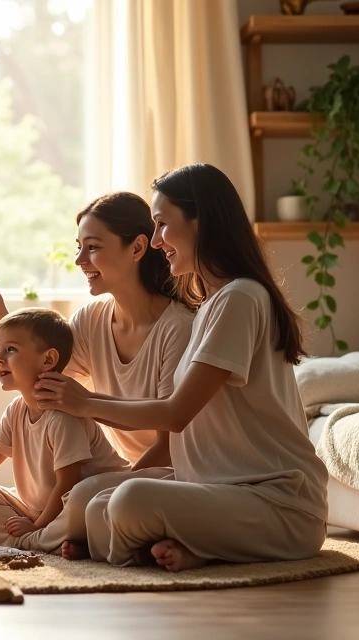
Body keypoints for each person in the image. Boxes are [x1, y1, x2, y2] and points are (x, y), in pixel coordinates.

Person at [35, 163, 328, 571]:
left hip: (276, 502)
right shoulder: (213, 303)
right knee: (87, 497)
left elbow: (175, 414)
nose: (156, 241)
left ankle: (185, 545)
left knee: (128, 502)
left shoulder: (240, 298)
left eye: (162, 225)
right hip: (211, 487)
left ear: (200, 222)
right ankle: (194, 546)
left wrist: (86, 404)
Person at [0, 192, 195, 556]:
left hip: (164, 476)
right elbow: (39, 378)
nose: (80, 260)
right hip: (114, 480)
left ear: (137, 248)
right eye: (79, 247)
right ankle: (53, 537)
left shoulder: (177, 328)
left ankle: (33, 541)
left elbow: (167, 446)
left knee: (84, 494)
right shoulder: (91, 319)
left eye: (93, 248)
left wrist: (115, 494)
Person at [0, 308, 128, 551]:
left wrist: (37, 525)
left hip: (83, 503)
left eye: (10, 350)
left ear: (48, 360)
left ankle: (25, 540)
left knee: (81, 499)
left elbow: (67, 485)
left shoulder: (62, 415)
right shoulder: (16, 410)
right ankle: (43, 541)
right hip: (37, 509)